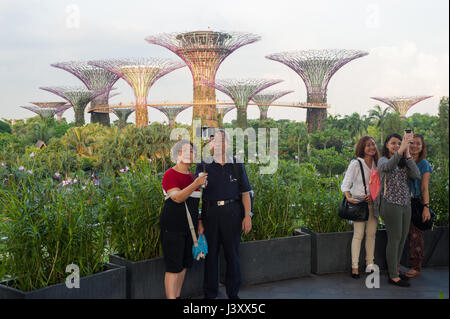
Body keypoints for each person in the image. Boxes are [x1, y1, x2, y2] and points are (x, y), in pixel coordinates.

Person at [195, 129, 253, 299]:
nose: (219, 144)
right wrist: (199, 220)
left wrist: (247, 215)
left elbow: (245, 192)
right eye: (215, 141)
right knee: (211, 256)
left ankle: (233, 295)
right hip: (210, 214)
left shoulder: (236, 164)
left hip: (233, 214)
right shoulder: (203, 164)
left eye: (222, 141)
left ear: (228, 144)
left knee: (232, 255)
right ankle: (210, 295)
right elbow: (196, 195)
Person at [159, 139, 208, 299]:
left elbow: (194, 204)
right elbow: (177, 198)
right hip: (172, 228)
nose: (189, 154)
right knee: (173, 268)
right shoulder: (170, 174)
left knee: (185, 265)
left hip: (190, 228)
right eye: (185, 151)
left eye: (192, 151)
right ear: (178, 154)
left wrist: (200, 221)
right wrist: (195, 184)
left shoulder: (192, 177)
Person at [375, 133, 420, 287]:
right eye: (393, 143)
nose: (396, 145)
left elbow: (416, 174)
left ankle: (396, 269)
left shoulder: (403, 161)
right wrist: (400, 151)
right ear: (386, 145)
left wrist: (407, 155)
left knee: (401, 239)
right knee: (394, 239)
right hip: (390, 203)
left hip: (405, 204)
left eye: (399, 143)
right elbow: (387, 168)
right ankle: (393, 275)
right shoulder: (383, 160)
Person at [341, 136, 379, 279]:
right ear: (362, 147)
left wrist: (374, 196)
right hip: (359, 204)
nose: (371, 147)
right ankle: (355, 266)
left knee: (371, 235)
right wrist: (349, 197)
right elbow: (346, 183)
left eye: (373, 144)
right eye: (368, 145)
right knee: (358, 235)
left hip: (373, 204)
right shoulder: (356, 163)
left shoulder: (377, 163)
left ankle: (370, 264)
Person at [405, 134, 432, 278]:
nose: (415, 146)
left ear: (422, 147)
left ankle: (416, 267)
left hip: (416, 203)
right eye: (412, 143)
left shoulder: (424, 164)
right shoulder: (403, 161)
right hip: (401, 202)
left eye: (418, 144)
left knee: (416, 235)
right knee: (402, 234)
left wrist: (426, 207)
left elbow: (424, 188)